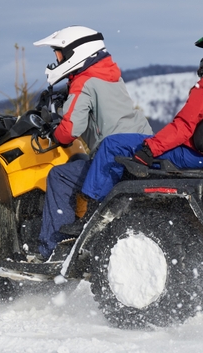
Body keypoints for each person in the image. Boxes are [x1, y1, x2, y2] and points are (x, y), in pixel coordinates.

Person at [71, 27, 203, 215]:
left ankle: (89, 211)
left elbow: (183, 127)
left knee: (112, 145)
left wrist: (150, 149)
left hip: (190, 155)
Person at [33, 26, 151, 261]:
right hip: (141, 145)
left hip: (114, 153)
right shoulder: (109, 73)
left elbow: (69, 132)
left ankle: (54, 248)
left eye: (59, 54)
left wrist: (54, 133)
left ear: (76, 52)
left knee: (59, 176)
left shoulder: (84, 81)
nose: (57, 60)